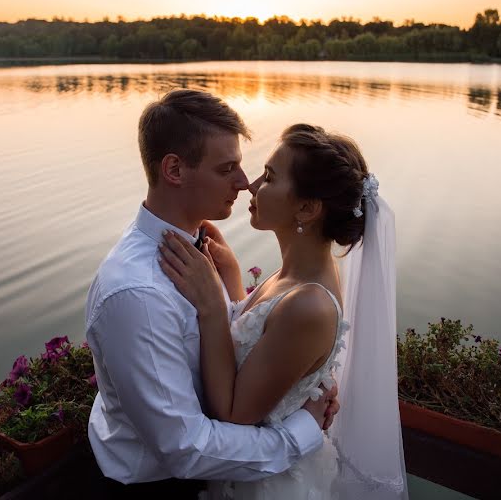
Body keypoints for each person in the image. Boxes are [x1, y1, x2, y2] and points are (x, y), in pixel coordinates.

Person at [84, 90, 339, 499]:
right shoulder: (137, 296)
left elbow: (230, 344)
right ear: (174, 170)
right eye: (227, 169)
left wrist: (300, 380)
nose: (244, 182)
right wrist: (302, 429)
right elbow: (185, 448)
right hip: (159, 485)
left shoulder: (199, 254)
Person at [159, 123, 408, 499]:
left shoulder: (309, 304)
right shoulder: (297, 274)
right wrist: (231, 282)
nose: (251, 185)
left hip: (266, 486)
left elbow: (234, 413)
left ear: (306, 208)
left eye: (270, 178)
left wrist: (212, 305)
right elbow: (264, 343)